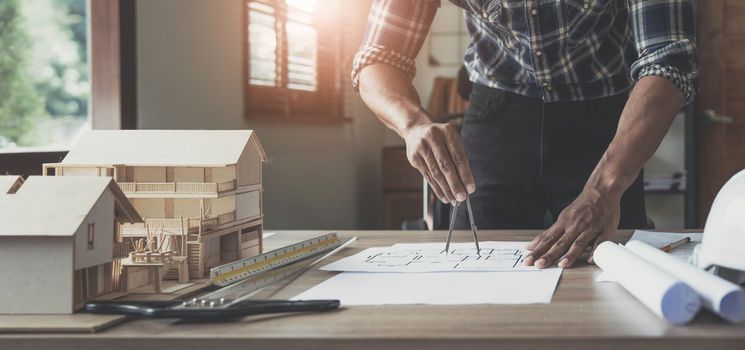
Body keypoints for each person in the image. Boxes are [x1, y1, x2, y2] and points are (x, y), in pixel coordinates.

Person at [353, 0, 698, 268]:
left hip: (601, 119)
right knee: (474, 274)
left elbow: (668, 61)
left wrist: (605, 187)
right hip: (497, 115)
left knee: (612, 269)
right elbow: (378, 58)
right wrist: (413, 124)